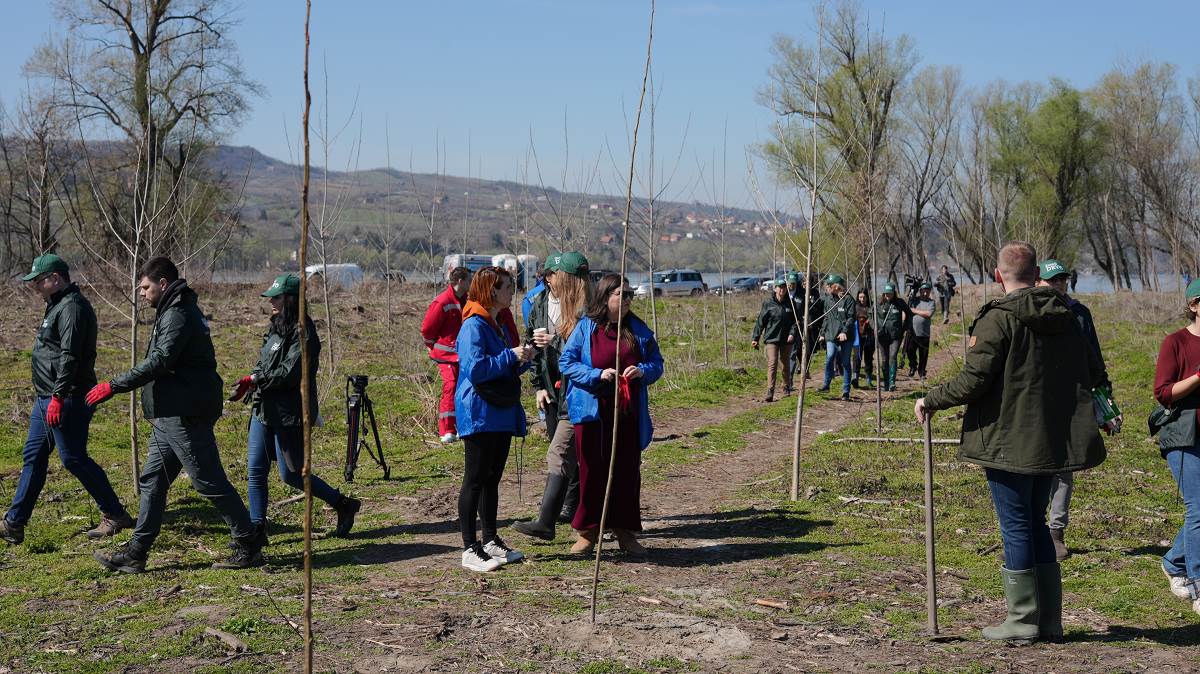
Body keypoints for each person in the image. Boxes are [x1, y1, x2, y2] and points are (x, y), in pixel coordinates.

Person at [915, 241, 1105, 644]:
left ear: (998, 275)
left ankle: (1022, 622)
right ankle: (1049, 621)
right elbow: (1091, 369)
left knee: (1016, 527)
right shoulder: (1068, 317)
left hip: (1007, 440)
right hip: (1052, 440)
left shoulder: (998, 318)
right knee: (1035, 523)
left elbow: (974, 379)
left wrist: (930, 399)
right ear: (1037, 274)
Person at [89, 257, 261, 573]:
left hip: (185, 412)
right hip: (171, 413)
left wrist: (113, 385)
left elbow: (160, 361)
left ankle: (248, 542)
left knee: (207, 480)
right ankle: (136, 552)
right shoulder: (172, 311)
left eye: (145, 287)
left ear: (163, 284)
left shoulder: (178, 315)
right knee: (153, 480)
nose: (141, 293)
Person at [0, 254, 134, 546]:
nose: (34, 285)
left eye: (38, 280)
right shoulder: (56, 305)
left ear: (55, 278)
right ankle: (14, 523)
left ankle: (115, 514)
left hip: (66, 397)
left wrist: (58, 396)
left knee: (73, 458)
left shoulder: (72, 308)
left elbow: (70, 356)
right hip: (46, 397)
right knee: (33, 457)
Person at [228, 274, 361, 544]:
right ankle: (257, 529)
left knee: (291, 473)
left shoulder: (305, 333)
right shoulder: (276, 327)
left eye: (276, 298)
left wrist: (257, 380)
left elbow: (290, 372)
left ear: (290, 299)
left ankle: (343, 504)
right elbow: (263, 362)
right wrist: (251, 379)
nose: (271, 303)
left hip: (289, 411)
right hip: (263, 408)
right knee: (255, 468)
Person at [559, 274, 664, 556]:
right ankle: (589, 533)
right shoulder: (586, 328)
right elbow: (566, 362)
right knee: (593, 471)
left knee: (626, 472)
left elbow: (657, 363)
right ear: (606, 297)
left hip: (627, 413)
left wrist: (643, 371)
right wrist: (597, 374)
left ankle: (625, 531)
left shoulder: (638, 330)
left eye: (630, 295)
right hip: (593, 412)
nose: (628, 299)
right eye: (622, 294)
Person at [1036, 259, 1119, 561]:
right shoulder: (1028, 313)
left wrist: (1105, 399)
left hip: (1072, 402)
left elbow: (1094, 359)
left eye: (1062, 279)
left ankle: (1056, 532)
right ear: (1038, 282)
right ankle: (1033, 528)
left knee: (1064, 469)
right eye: (1051, 280)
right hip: (1035, 403)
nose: (1058, 285)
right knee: (1034, 467)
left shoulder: (1080, 314)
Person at [455, 266, 534, 572]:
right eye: (506, 287)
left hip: (499, 412)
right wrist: (509, 356)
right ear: (491, 291)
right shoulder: (473, 325)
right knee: (474, 480)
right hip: (479, 412)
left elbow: (500, 367)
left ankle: (489, 540)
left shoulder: (495, 324)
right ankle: (468, 548)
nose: (511, 292)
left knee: (492, 480)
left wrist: (523, 359)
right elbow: (476, 370)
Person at [512, 252, 592, 541]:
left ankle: (570, 512)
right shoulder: (541, 304)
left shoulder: (588, 308)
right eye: (546, 275)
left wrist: (556, 340)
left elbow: (587, 349)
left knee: (572, 452)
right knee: (562, 450)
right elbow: (531, 342)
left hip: (581, 391)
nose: (547, 279)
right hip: (552, 388)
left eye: (552, 275)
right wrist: (538, 386)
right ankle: (567, 512)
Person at [1150, 279, 1200, 614]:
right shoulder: (1176, 342)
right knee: (1199, 508)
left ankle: (1173, 561)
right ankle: (1198, 584)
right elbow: (1163, 392)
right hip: (1184, 436)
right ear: (1194, 305)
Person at [421, 267, 472, 444]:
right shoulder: (442, 301)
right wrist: (430, 345)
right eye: (468, 280)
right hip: (446, 355)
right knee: (450, 387)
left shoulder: (466, 300)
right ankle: (447, 430)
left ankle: (460, 427)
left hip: (461, 355)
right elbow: (427, 328)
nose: (470, 283)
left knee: (462, 389)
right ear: (460, 281)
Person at [751, 279, 798, 402]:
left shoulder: (790, 303)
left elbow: (795, 322)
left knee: (784, 364)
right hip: (772, 338)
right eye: (779, 287)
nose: (782, 289)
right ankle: (770, 390)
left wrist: (792, 334)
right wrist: (756, 338)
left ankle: (786, 386)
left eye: (784, 287)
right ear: (775, 289)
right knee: (772, 362)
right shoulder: (768, 303)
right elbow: (761, 321)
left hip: (786, 339)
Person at [814, 274, 856, 401]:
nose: (827, 287)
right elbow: (826, 317)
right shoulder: (828, 299)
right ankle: (826, 385)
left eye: (829, 285)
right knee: (830, 356)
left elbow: (851, 318)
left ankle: (846, 391)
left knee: (845, 363)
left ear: (836, 286)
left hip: (846, 336)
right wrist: (822, 333)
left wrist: (844, 332)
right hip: (831, 334)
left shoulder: (848, 299)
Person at [874, 283, 912, 392]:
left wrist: (904, 327)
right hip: (882, 336)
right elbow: (870, 314)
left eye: (890, 293)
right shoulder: (878, 302)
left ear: (894, 293)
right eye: (886, 293)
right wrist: (874, 327)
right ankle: (885, 382)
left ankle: (892, 382)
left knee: (893, 356)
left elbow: (909, 314)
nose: (887, 295)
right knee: (884, 360)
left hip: (896, 335)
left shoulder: (899, 303)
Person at [906, 283, 936, 383]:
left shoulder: (931, 303)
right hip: (912, 332)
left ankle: (922, 372)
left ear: (929, 291)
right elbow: (907, 307)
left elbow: (928, 314)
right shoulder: (915, 300)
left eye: (927, 290)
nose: (925, 292)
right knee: (909, 350)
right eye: (923, 290)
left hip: (924, 333)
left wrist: (914, 310)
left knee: (923, 355)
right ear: (920, 291)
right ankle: (913, 366)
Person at [851, 289, 875, 389]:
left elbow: (877, 317)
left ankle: (869, 379)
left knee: (868, 358)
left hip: (869, 335)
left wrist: (871, 320)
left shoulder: (872, 306)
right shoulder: (855, 307)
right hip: (857, 336)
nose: (862, 299)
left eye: (864, 297)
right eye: (860, 297)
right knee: (857, 357)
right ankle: (855, 377)